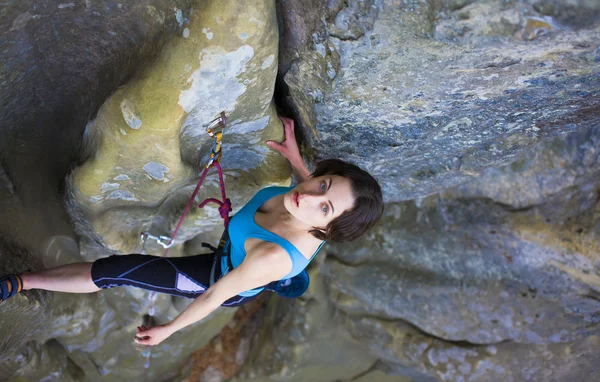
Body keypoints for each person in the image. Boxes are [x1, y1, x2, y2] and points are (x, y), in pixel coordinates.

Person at [0, 117, 384, 346]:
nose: (310, 195)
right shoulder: (303, 198)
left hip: (224, 274)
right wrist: (297, 159)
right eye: (322, 183)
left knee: (117, 269)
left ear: (325, 229)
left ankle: (21, 282)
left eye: (325, 206)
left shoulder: (272, 257)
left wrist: (169, 330)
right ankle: (292, 283)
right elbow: (311, 193)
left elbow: (216, 294)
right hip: (240, 247)